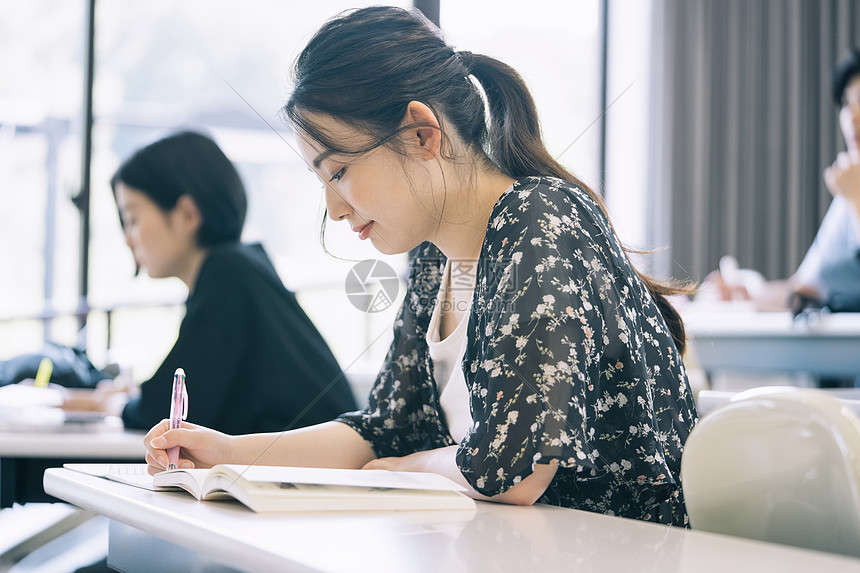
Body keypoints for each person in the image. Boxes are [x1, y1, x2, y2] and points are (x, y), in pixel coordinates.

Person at [144, 7, 698, 526]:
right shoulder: (436, 260)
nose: (334, 210)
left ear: (420, 133)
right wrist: (229, 454)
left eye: (338, 171)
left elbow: (517, 470)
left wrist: (412, 467)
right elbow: (384, 434)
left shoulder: (540, 218)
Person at [81, 130, 356, 434]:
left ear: (187, 214)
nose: (127, 238)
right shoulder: (239, 268)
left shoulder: (228, 275)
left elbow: (165, 412)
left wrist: (112, 405)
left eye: (132, 219)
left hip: (311, 473)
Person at [701, 49, 860, 313]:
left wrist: (856, 201)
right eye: (846, 103)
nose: (852, 116)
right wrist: (743, 294)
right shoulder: (848, 193)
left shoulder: (851, 192)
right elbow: (803, 288)